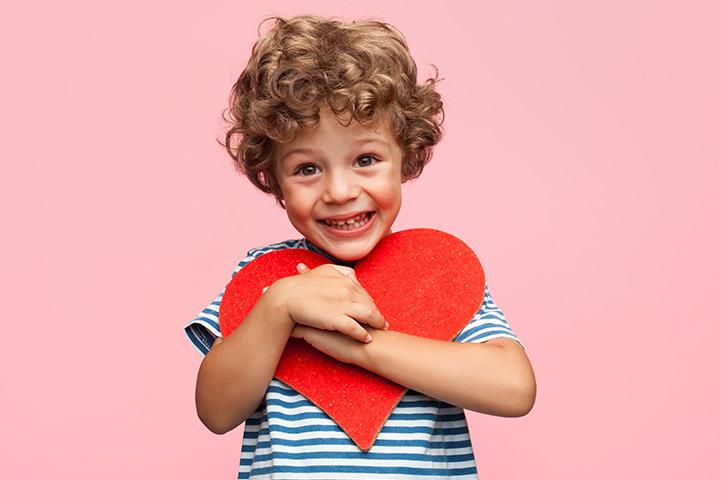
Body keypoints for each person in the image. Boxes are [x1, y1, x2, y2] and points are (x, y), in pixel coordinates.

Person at [184, 15, 536, 479]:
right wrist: (279, 307)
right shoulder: (265, 273)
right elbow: (216, 411)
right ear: (272, 178)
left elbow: (513, 388)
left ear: (405, 156)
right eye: (307, 169)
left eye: (365, 160)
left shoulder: (439, 271)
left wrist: (358, 347)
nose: (340, 191)